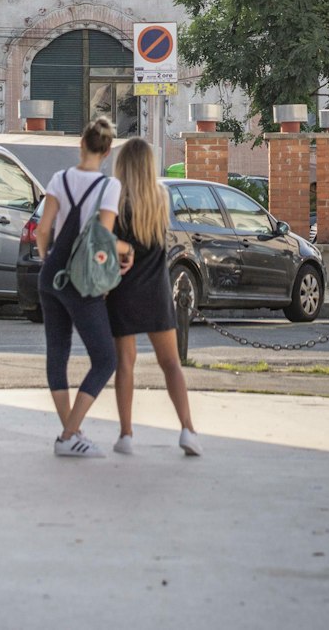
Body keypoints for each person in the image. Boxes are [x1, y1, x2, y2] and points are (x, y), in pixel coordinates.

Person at [35, 115, 132, 459]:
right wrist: (128, 249)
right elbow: (102, 241)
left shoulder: (59, 179)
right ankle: (69, 435)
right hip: (81, 282)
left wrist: (49, 260)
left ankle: (70, 433)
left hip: (51, 278)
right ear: (107, 152)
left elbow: (42, 231)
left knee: (56, 355)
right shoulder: (109, 187)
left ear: (81, 144)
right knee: (105, 359)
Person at [107, 135, 201, 458]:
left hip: (122, 290)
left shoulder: (116, 202)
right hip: (156, 290)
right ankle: (188, 429)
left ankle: (126, 434)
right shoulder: (161, 198)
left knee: (125, 363)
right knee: (171, 363)